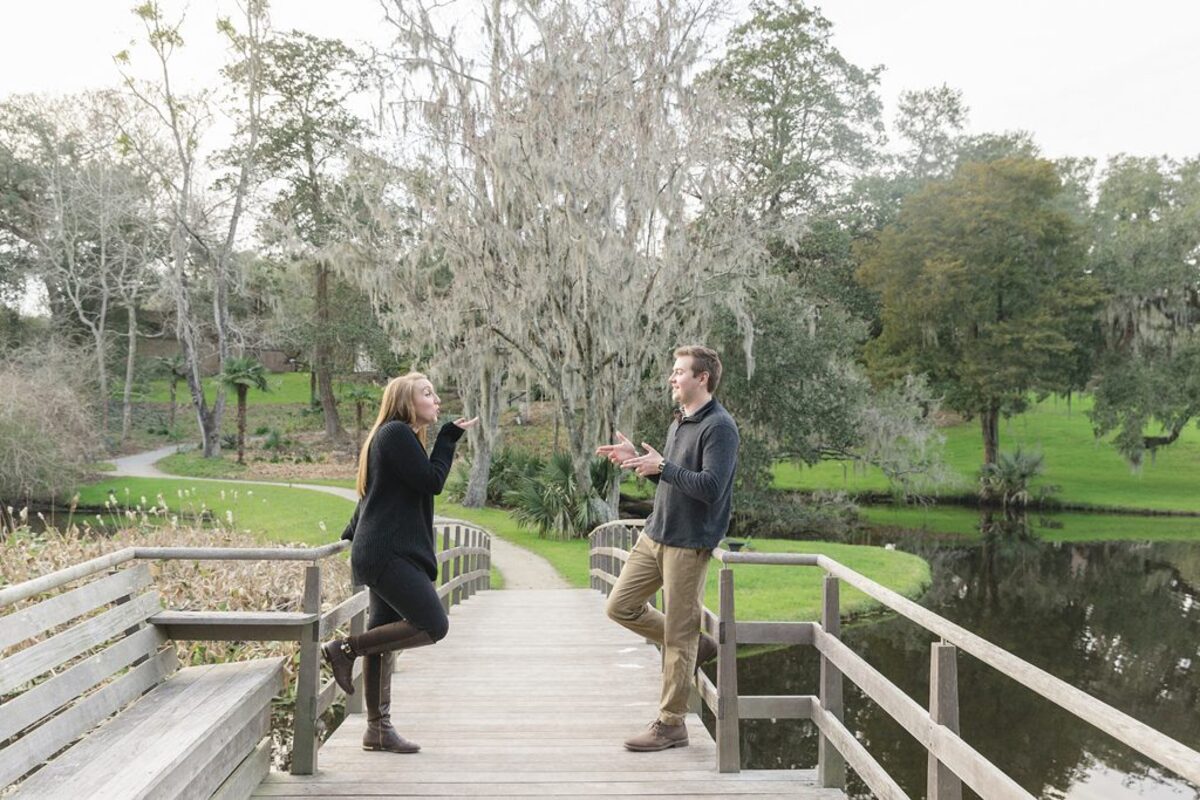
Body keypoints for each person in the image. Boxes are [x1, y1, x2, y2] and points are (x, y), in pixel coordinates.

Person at [322, 372, 477, 754]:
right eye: (427, 393)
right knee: (433, 624)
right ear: (406, 401)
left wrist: (351, 531)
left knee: (382, 639)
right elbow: (432, 481)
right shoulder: (394, 434)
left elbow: (374, 494)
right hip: (387, 554)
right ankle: (344, 649)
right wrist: (447, 439)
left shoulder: (395, 437)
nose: (436, 399)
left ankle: (377, 729)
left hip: (383, 550)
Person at [597, 345, 739, 752]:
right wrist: (644, 462)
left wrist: (664, 468)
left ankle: (671, 724)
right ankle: (699, 645)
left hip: (689, 543)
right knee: (619, 606)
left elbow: (710, 488)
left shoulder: (720, 428)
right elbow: (677, 480)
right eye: (674, 372)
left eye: (679, 372)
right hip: (655, 534)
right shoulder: (681, 421)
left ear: (702, 379)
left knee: (678, 635)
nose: (672, 379)